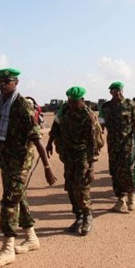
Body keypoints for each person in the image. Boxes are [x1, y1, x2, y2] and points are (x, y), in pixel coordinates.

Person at [0, 68, 56, 266]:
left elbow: (36, 137)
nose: (2, 84)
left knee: (9, 200)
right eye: (0, 81)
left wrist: (47, 166)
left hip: (20, 161)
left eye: (7, 81)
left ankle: (8, 247)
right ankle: (32, 238)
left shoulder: (21, 105)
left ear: (15, 83)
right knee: (19, 197)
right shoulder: (0, 101)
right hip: (7, 158)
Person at [46, 86, 98, 236]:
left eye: (75, 102)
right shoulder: (65, 109)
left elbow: (91, 144)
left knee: (81, 187)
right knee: (70, 186)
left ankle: (87, 215)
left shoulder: (88, 117)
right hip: (67, 154)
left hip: (82, 155)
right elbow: (56, 126)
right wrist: (50, 142)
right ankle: (79, 217)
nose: (72, 104)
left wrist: (91, 167)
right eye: (70, 101)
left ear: (82, 100)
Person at [99, 81, 135, 213]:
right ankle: (120, 199)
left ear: (122, 90)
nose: (117, 93)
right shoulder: (106, 107)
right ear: (110, 92)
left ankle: (131, 195)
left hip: (127, 142)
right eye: (114, 91)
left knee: (124, 169)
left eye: (119, 90)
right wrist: (98, 137)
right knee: (114, 170)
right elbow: (100, 125)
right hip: (112, 143)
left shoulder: (129, 104)